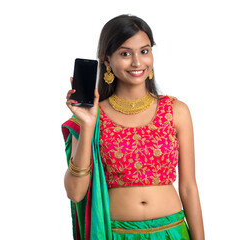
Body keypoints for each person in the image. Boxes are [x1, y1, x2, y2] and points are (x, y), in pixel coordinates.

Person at [62, 14, 204, 240]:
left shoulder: (176, 111)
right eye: (125, 53)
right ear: (107, 60)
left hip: (173, 232)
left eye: (144, 51)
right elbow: (75, 192)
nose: (138, 62)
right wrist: (88, 125)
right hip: (117, 234)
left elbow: (188, 187)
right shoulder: (92, 117)